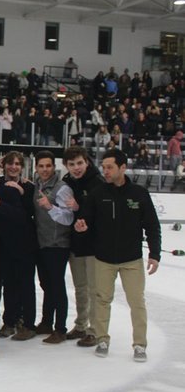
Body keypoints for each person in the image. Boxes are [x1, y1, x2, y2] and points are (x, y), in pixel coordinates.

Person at [75, 148, 161, 361]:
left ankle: (140, 344)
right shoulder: (98, 193)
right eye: (103, 167)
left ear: (123, 167)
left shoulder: (139, 194)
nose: (105, 171)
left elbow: (152, 225)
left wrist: (154, 254)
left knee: (136, 302)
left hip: (131, 259)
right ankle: (102, 339)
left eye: (110, 167)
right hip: (103, 259)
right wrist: (81, 225)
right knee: (102, 300)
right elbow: (85, 218)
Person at [0, 152, 37, 341]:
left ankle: (28, 324)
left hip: (23, 245)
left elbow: (22, 216)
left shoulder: (9, 188)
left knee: (26, 285)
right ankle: (9, 322)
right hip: (4, 245)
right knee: (9, 285)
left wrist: (0, 204)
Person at [61, 146, 105, 344]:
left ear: (86, 162)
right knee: (80, 287)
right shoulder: (67, 182)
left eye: (80, 163)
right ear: (66, 166)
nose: (76, 168)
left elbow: (101, 212)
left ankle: (94, 330)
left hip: (94, 245)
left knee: (94, 288)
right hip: (76, 244)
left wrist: (80, 208)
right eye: (72, 164)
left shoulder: (98, 182)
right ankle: (80, 325)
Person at [32, 150, 75, 344]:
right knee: (46, 284)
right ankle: (47, 321)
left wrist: (51, 208)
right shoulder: (36, 185)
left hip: (57, 244)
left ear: (53, 167)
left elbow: (68, 217)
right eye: (41, 166)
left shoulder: (61, 188)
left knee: (56, 286)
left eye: (48, 166)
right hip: (42, 242)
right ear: (36, 168)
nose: (45, 169)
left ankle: (60, 328)